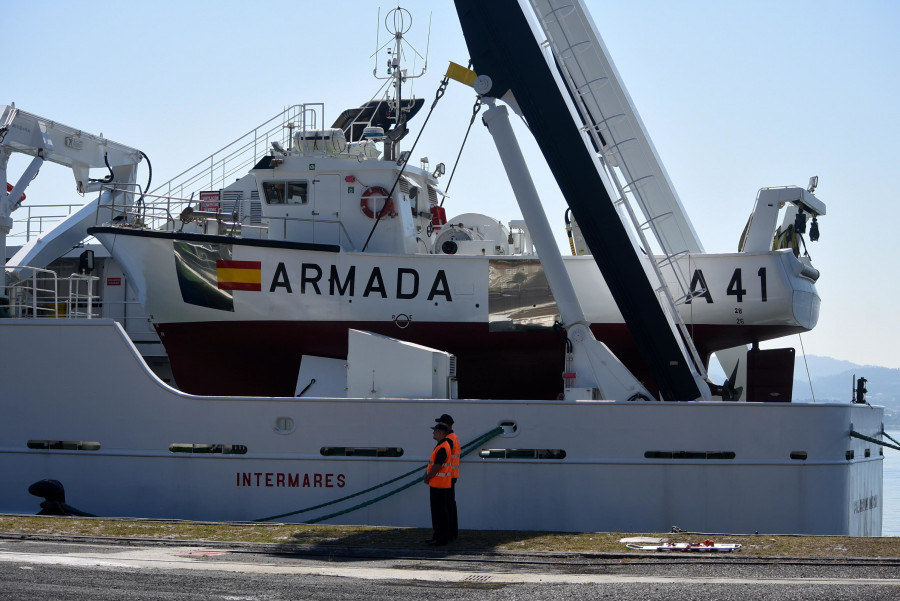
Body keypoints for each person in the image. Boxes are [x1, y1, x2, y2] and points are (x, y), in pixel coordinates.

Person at [424, 422, 453, 545]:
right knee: (439, 513)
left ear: (440, 433)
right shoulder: (443, 445)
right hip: (440, 484)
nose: (433, 433)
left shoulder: (442, 447)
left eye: (435, 431)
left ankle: (441, 539)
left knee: (439, 513)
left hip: (439, 484)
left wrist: (428, 477)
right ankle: (438, 537)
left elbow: (437, 466)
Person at [435, 414, 459, 541]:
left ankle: (444, 534)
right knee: (450, 506)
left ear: (447, 426)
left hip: (446, 477)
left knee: (443, 508)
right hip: (452, 476)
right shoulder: (454, 437)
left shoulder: (448, 440)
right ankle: (451, 533)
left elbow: (442, 459)